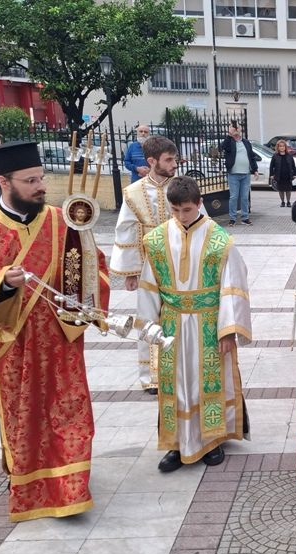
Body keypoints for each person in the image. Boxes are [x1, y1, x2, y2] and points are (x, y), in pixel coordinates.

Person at [0, 140, 110, 521]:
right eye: (30, 180)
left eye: (41, 178)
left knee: (69, 411)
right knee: (23, 413)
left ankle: (71, 487)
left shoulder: (62, 220)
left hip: (60, 340)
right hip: (14, 344)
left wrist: (82, 293)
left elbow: (95, 268)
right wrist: (2, 282)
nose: (40, 187)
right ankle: (26, 479)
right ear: (4, 182)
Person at [138, 176, 251, 472]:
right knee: (176, 384)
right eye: (174, 210)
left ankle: (211, 440)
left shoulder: (219, 240)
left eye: (186, 210)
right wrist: (150, 327)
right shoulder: (156, 239)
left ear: (199, 204)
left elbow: (233, 285)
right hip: (173, 322)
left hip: (209, 323)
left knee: (207, 383)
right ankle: (177, 444)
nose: (180, 216)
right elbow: (149, 285)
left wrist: (229, 330)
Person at [112, 136, 205, 394]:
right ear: (152, 161)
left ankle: (185, 370)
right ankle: (152, 376)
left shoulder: (185, 187)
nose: (174, 164)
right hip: (149, 267)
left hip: (183, 263)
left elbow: (202, 221)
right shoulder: (133, 192)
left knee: (185, 317)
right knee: (149, 320)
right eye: (169, 160)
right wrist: (130, 272)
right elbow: (126, 230)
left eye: (175, 159)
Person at [221, 120, 258, 226]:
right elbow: (222, 147)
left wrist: (255, 169)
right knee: (233, 197)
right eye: (234, 128)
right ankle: (232, 218)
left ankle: (245, 217)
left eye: (237, 128)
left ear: (241, 129)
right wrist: (229, 134)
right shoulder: (229, 142)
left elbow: (251, 156)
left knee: (244, 197)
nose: (236, 130)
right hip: (233, 174)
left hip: (245, 173)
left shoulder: (246, 142)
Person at [269, 139, 296, 207]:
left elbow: (293, 165)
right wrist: (271, 175)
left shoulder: (289, 155)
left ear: (285, 147)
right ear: (278, 147)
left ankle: (288, 202)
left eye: (283, 146)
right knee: (281, 190)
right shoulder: (275, 156)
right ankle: (282, 202)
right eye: (280, 146)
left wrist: (295, 174)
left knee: (288, 190)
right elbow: (271, 166)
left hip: (288, 175)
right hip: (279, 175)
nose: (282, 147)